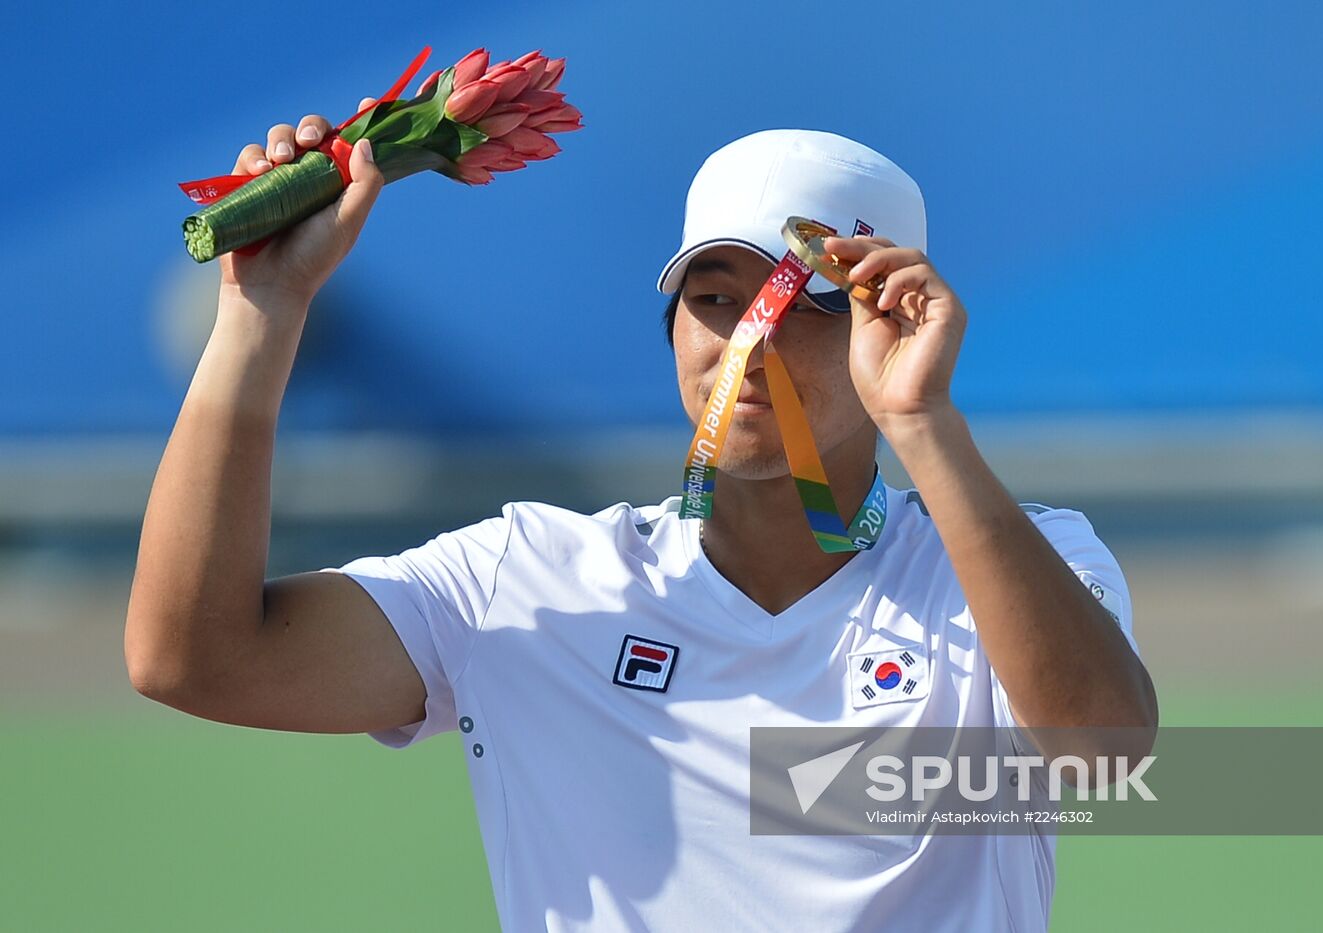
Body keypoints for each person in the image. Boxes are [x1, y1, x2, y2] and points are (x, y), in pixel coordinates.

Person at [126, 109, 1157, 931]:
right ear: (671, 330)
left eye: (802, 305)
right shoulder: (524, 582)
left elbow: (1102, 749)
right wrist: (262, 314)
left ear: (892, 325)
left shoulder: (1012, 566)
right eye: (715, 299)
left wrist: (921, 421)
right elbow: (194, 660)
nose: (746, 343)